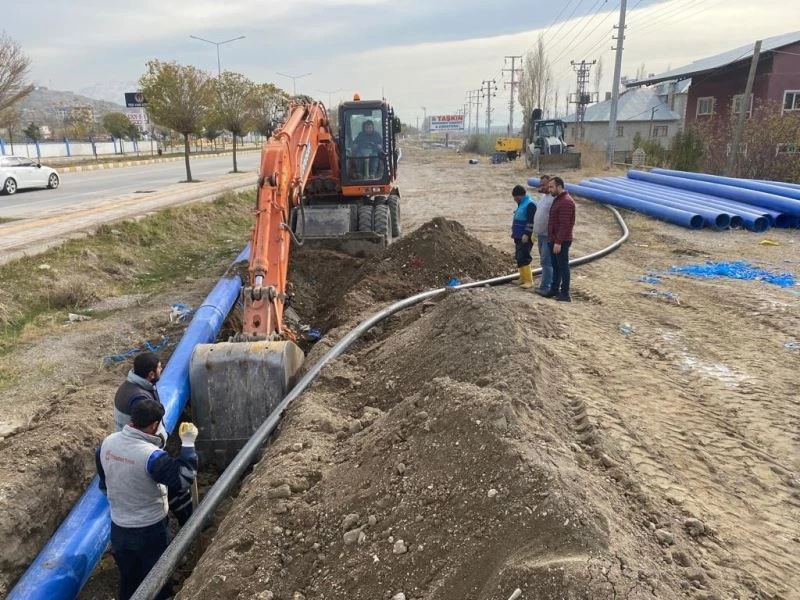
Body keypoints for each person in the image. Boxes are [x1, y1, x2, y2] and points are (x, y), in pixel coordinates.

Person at [96, 399, 199, 600]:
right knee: (157, 582)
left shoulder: (107, 443)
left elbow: (104, 481)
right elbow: (184, 478)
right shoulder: (151, 456)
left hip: (119, 530)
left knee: (129, 580)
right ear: (154, 425)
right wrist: (187, 443)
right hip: (149, 532)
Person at [540, 176, 576, 302]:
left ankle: (565, 293)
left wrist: (558, 242)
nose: (549, 190)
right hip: (553, 239)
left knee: (563, 267)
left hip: (561, 241)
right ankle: (554, 290)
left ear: (559, 187)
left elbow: (565, 225)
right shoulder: (558, 199)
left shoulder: (566, 202)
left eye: (551, 187)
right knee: (556, 266)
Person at [510, 184, 536, 289]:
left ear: (519, 196)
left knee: (524, 256)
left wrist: (527, 234)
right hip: (518, 235)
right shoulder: (522, 203)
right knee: (519, 257)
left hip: (525, 237)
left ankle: (529, 280)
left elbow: (531, 221)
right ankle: (522, 278)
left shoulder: (530, 204)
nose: (515, 200)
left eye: (515, 198)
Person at [532, 175, 554, 294]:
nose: (541, 187)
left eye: (543, 185)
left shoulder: (553, 199)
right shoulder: (543, 197)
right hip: (540, 234)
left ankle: (546, 287)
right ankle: (547, 284)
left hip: (548, 236)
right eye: (540, 184)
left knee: (547, 262)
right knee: (544, 261)